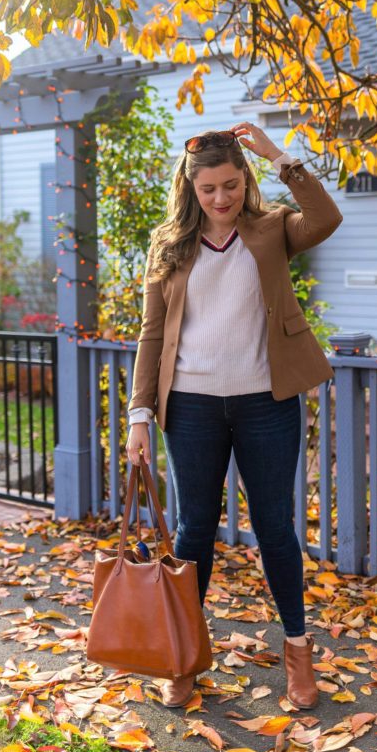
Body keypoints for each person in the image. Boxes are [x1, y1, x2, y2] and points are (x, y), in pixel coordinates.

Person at [125, 122, 343, 709]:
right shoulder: (169, 246)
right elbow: (151, 335)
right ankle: (183, 656)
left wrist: (279, 157)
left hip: (265, 403)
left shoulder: (272, 229)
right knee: (194, 530)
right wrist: (139, 415)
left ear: (243, 180)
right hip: (190, 406)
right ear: (189, 189)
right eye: (208, 190)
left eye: (229, 185)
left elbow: (325, 219)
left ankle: (297, 653)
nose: (220, 199)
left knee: (275, 526)